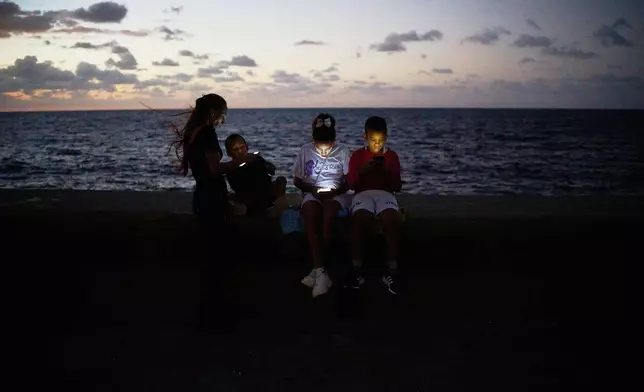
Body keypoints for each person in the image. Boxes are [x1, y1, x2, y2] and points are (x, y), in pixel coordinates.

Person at [171, 93, 257, 231]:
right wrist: (241, 161)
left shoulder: (193, 132)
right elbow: (214, 169)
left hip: (201, 195)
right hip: (212, 199)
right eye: (222, 115)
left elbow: (203, 168)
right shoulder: (207, 133)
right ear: (213, 112)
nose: (222, 120)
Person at [293, 113, 351, 297]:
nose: (324, 150)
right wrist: (312, 188)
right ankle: (321, 271)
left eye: (328, 146)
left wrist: (335, 191)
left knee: (327, 218)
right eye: (320, 146)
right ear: (313, 139)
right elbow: (297, 180)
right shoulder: (305, 150)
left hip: (336, 194)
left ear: (334, 139)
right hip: (313, 191)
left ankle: (319, 269)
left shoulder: (342, 151)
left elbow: (349, 181)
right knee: (310, 215)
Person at [345, 116, 403, 295]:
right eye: (373, 140)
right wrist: (362, 171)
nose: (377, 144)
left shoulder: (392, 156)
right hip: (363, 193)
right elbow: (351, 184)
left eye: (380, 140)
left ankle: (391, 271)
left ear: (385, 137)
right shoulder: (357, 156)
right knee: (359, 218)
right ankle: (356, 269)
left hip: (385, 193)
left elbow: (397, 186)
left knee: (391, 219)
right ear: (365, 136)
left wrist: (386, 172)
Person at [223, 133, 287, 216]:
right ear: (229, 153)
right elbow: (236, 187)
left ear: (246, 147)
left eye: (242, 147)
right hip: (248, 196)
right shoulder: (231, 167)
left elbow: (271, 171)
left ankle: (276, 207)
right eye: (235, 149)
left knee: (281, 180)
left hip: (265, 191)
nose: (240, 151)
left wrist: (266, 165)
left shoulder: (256, 159)